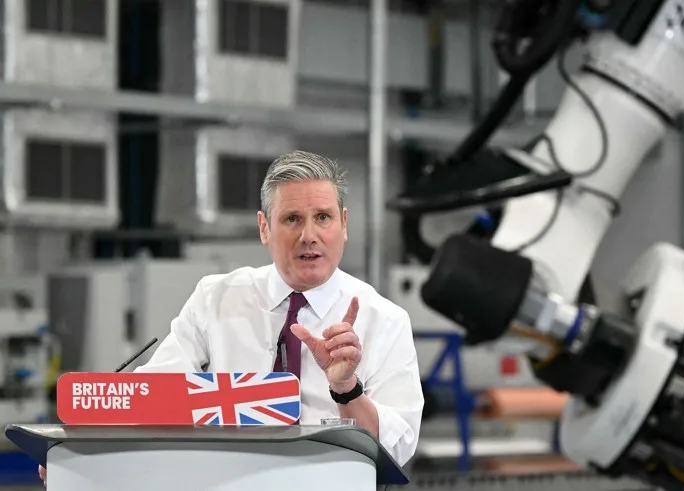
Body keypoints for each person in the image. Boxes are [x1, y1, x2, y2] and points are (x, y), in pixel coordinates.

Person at [38, 150, 424, 486]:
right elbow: (153, 397)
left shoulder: (384, 320)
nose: (309, 235)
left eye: (323, 217)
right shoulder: (216, 298)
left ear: (344, 224)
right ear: (263, 228)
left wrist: (346, 388)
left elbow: (396, 448)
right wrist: (78, 452)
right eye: (291, 219)